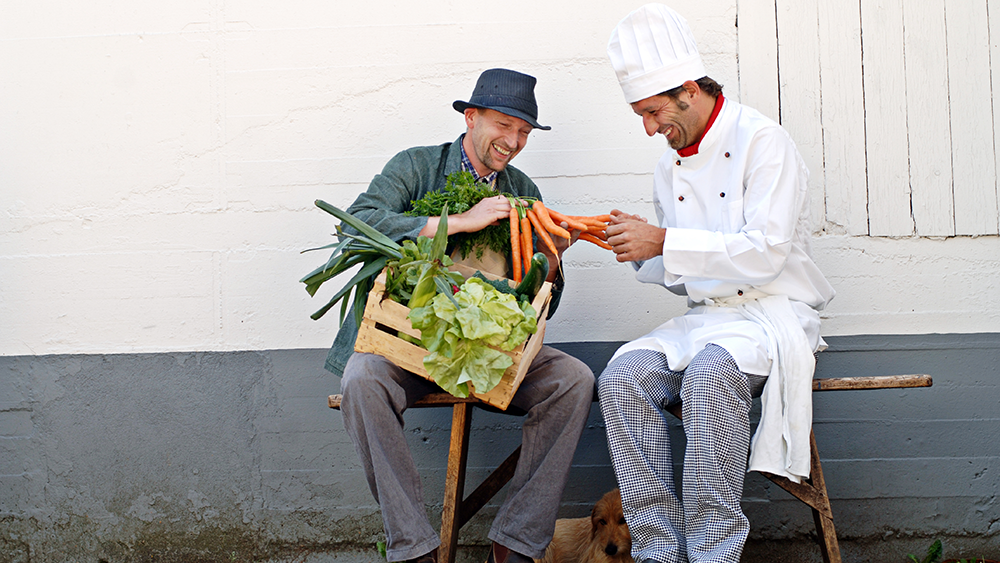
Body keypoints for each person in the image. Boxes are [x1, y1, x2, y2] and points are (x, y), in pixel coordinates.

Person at [596, 5, 836, 563]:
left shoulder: (763, 142)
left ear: (687, 88)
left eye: (653, 112)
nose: (651, 128)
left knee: (708, 377)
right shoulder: (667, 167)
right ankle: (658, 551)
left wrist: (663, 242)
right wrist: (631, 247)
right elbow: (684, 279)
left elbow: (766, 254)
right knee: (621, 378)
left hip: (771, 313)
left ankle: (713, 552)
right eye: (641, 116)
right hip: (709, 319)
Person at [325, 69, 595, 563]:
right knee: (362, 378)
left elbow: (544, 303)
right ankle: (413, 548)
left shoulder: (523, 191)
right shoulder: (417, 167)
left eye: (524, 133)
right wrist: (456, 223)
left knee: (573, 379)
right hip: (409, 345)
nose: (513, 142)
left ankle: (515, 543)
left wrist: (551, 264)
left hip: (489, 349)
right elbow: (357, 224)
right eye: (503, 125)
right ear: (471, 118)